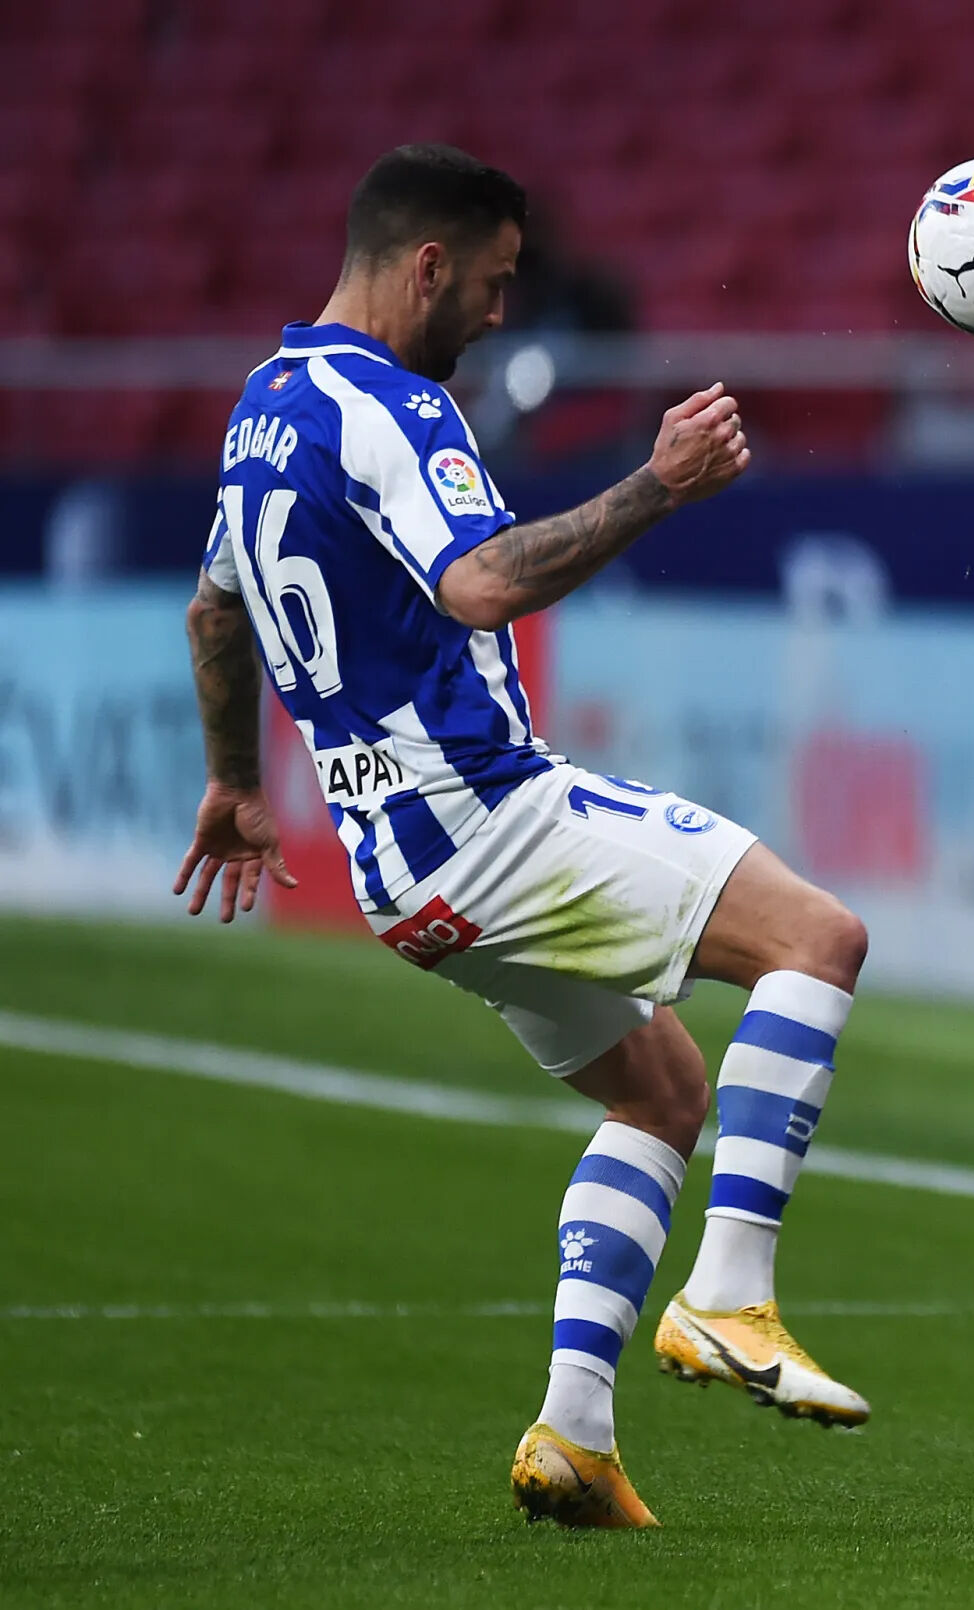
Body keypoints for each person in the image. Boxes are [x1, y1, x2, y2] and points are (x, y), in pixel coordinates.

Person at [177, 144, 872, 1530]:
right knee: (818, 936)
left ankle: (575, 1435)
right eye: (492, 283)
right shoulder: (394, 406)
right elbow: (482, 582)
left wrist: (231, 780)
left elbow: (213, 612)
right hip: (490, 816)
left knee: (663, 1094)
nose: (502, 313)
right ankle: (731, 1292)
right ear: (427, 262)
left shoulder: (264, 408)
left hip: (401, 870)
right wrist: (659, 482)